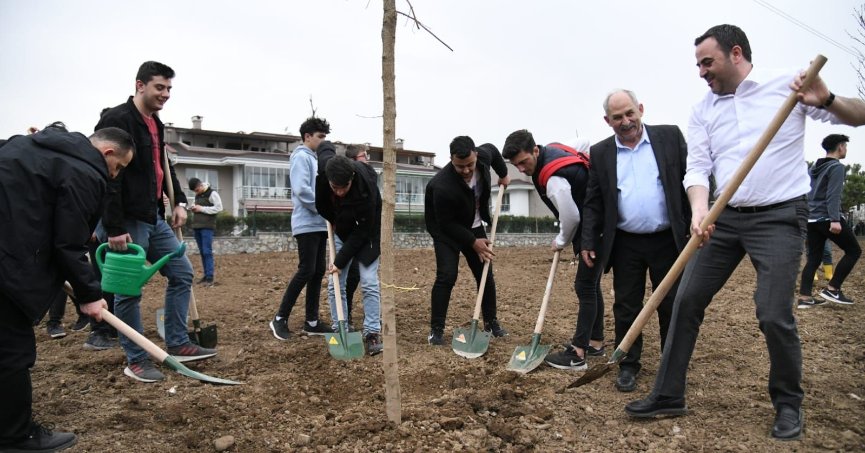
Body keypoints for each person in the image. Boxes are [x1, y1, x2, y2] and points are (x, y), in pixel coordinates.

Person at [625, 24, 865, 441]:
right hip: (725, 215)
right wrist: (700, 209)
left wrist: (825, 98)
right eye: (698, 64)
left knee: (773, 313)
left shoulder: (788, 86)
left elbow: (859, 115)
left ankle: (788, 403)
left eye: (707, 62)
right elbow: (697, 168)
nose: (701, 71)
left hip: (780, 215)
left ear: (736, 53)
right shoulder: (703, 110)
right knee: (686, 300)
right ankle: (668, 393)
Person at [0, 125, 133, 451]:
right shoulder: (85, 172)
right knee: (13, 352)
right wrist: (90, 296)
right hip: (8, 264)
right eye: (118, 168)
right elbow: (67, 244)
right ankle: (15, 436)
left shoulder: (27, 147)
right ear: (107, 153)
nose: (114, 176)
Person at [96, 61, 217, 383]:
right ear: (140, 85)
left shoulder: (156, 122)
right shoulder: (117, 119)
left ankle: (177, 342)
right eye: (159, 87)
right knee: (128, 291)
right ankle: (136, 360)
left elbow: (164, 165)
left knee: (182, 273)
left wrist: (177, 200)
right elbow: (107, 176)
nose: (165, 94)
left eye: (168, 89)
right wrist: (113, 226)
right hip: (127, 220)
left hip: (153, 216)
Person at [578, 90, 690, 392]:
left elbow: (691, 178)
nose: (626, 121)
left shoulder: (669, 137)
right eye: (618, 117)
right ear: (607, 121)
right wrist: (588, 239)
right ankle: (628, 364)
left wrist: (698, 218)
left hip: (668, 239)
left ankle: (672, 365)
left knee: (672, 304)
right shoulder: (601, 153)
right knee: (626, 306)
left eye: (630, 113)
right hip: (626, 243)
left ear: (640, 108)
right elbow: (594, 201)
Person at [501, 129, 603, 371]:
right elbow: (586, 142)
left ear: (536, 150)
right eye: (517, 166)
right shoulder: (558, 147)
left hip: (592, 226)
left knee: (585, 286)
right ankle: (595, 342)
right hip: (596, 219)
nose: (523, 170)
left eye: (524, 162)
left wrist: (560, 240)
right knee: (591, 284)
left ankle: (578, 354)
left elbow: (571, 216)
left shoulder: (554, 178)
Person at [424, 136, 510, 345]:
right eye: (459, 166)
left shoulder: (485, 155)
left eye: (469, 164)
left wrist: (504, 174)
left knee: (484, 273)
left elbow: (496, 153)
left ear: (476, 155)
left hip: (474, 225)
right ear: (451, 159)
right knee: (447, 276)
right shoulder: (441, 186)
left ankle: (491, 322)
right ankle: (436, 330)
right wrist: (473, 242)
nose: (465, 170)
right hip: (447, 233)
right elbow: (445, 223)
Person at [269, 117, 334, 340]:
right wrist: (323, 208)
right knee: (306, 270)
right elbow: (301, 190)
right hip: (306, 224)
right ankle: (279, 318)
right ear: (307, 136)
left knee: (317, 272)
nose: (323, 141)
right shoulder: (301, 157)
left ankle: (312, 321)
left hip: (319, 224)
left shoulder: (315, 158)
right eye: (320, 136)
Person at [315, 155, 384, 355]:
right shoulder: (323, 181)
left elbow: (362, 231)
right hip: (342, 230)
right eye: (335, 187)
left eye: (343, 187)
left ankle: (372, 333)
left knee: (369, 281)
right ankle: (340, 329)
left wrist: (340, 260)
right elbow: (322, 207)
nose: (339, 192)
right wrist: (334, 219)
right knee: (335, 283)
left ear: (352, 178)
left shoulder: (367, 187)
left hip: (368, 233)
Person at [797, 134, 861, 307]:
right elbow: (833, 195)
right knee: (854, 251)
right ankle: (833, 289)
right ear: (840, 147)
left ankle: (804, 298)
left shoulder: (814, 167)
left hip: (812, 219)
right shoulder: (836, 168)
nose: (846, 150)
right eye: (845, 146)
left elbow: (807, 192)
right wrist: (835, 219)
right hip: (827, 218)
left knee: (814, 258)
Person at [342, 144, 371, 325]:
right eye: (363, 156)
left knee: (359, 277)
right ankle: (345, 317)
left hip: (364, 235)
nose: (366, 159)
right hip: (348, 237)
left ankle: (361, 318)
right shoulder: (345, 182)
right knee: (347, 278)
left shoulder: (368, 178)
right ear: (353, 160)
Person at [188, 177, 224, 286]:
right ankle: (206, 275)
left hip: (207, 227)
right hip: (197, 226)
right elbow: (198, 206)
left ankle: (210, 277)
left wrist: (202, 209)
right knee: (203, 252)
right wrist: (193, 208)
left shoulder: (212, 194)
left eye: (196, 190)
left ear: (200, 185)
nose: (196, 192)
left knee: (207, 251)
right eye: (194, 191)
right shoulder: (198, 195)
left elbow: (219, 208)